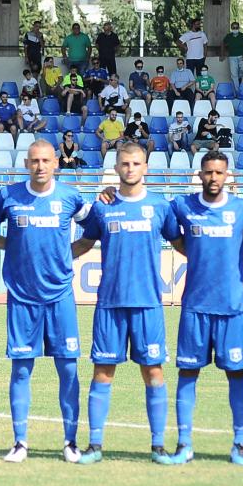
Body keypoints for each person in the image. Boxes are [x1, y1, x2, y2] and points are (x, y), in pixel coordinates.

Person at [70, 142, 181, 465]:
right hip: (110, 303)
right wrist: (48, 257)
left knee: (154, 372)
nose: (130, 169)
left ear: (146, 167)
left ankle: (158, 445)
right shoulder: (102, 207)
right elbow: (83, 244)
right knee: (103, 372)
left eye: (136, 164)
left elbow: (181, 243)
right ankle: (94, 444)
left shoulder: (161, 207)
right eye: (125, 164)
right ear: (116, 168)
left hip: (148, 304)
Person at [0, 141, 90, 463]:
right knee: (21, 370)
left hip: (59, 296)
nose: (40, 166)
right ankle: (20, 443)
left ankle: (70, 442)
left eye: (46, 160)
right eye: (34, 161)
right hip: (21, 297)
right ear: (26, 163)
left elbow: (94, 229)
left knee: (69, 370)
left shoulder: (70, 197)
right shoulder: (9, 195)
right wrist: (12, 247)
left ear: (56, 163)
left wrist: (68, 253)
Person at [165, 152, 243, 465]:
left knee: (236, 374)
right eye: (208, 172)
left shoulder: (242, 208)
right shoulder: (183, 206)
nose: (213, 178)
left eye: (219, 173)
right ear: (200, 174)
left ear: (227, 175)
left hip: (232, 306)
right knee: (187, 372)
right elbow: (171, 234)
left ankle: (239, 443)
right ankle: (184, 443)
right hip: (195, 306)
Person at [219, 21, 243, 85]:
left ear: (238, 28)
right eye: (233, 28)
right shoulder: (228, 36)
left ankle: (239, 77)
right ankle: (237, 93)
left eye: (236, 27)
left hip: (241, 56)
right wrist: (222, 54)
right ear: (231, 28)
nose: (235, 29)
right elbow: (222, 43)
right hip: (232, 57)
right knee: (234, 75)